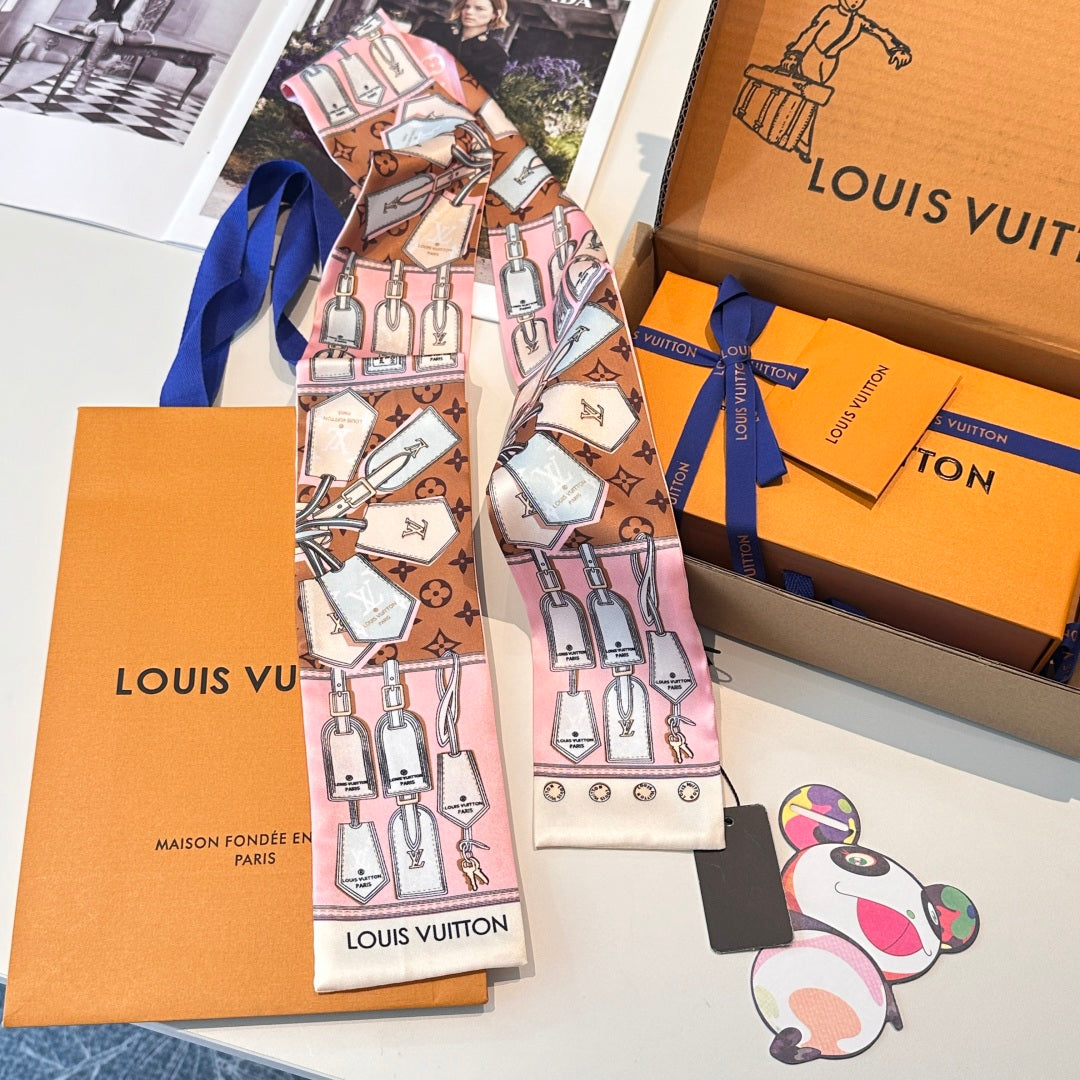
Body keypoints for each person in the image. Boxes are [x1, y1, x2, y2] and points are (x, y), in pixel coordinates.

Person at [414, 0, 510, 95]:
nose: (469, 11)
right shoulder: (431, 29)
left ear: (495, 14)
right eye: (466, 6)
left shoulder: (495, 55)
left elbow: (478, 94)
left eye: (479, 8)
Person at [72, 1, 151, 96]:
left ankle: (82, 29)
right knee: (107, 33)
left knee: (142, 38)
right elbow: (103, 9)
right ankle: (83, 80)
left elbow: (119, 13)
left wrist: (116, 27)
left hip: (115, 26)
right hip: (99, 22)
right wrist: (114, 27)